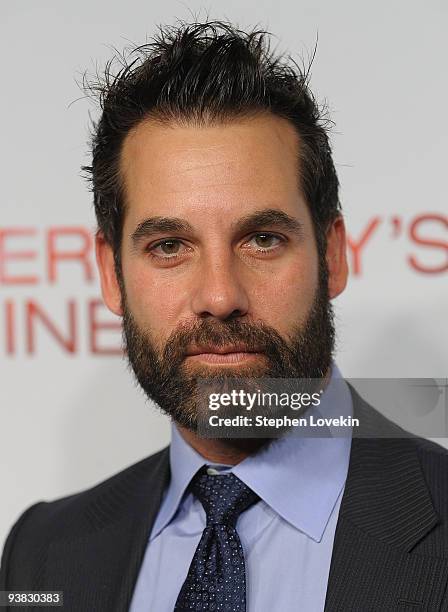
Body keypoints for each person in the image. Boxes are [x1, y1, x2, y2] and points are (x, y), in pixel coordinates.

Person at [1, 20, 448, 612]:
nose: (219, 295)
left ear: (332, 255)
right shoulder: (42, 554)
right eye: (168, 246)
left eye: (262, 239)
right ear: (111, 274)